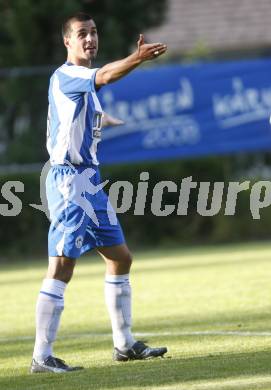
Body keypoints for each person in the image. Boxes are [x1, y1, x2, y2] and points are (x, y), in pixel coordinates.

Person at [30, 12, 167, 374]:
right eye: (81, 34)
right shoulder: (68, 74)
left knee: (120, 257)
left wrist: (102, 120)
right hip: (68, 181)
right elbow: (103, 75)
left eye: (93, 32)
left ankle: (124, 345)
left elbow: (79, 111)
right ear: (67, 42)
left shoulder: (82, 87)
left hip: (88, 181)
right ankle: (41, 357)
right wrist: (137, 58)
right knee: (61, 265)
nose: (89, 38)